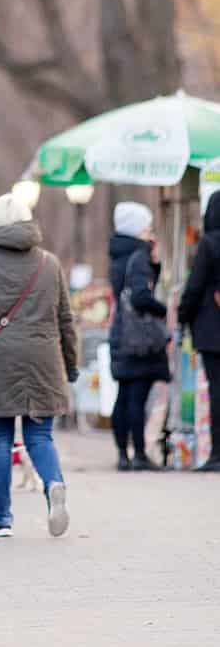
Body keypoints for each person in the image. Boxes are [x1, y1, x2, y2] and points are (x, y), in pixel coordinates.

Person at [0, 193, 78, 538]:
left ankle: (1, 518)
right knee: (39, 435)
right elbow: (66, 319)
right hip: (45, 360)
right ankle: (54, 484)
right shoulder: (50, 263)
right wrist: (70, 365)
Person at [108, 201, 170, 471]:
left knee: (124, 394)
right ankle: (140, 454)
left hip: (122, 332)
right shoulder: (139, 255)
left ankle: (123, 453)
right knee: (137, 396)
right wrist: (164, 309)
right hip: (140, 337)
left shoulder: (118, 253)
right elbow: (141, 294)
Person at [178, 192, 220, 471]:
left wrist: (182, 316)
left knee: (217, 390)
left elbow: (194, 287)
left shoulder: (209, 243)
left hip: (212, 330)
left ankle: (217, 453)